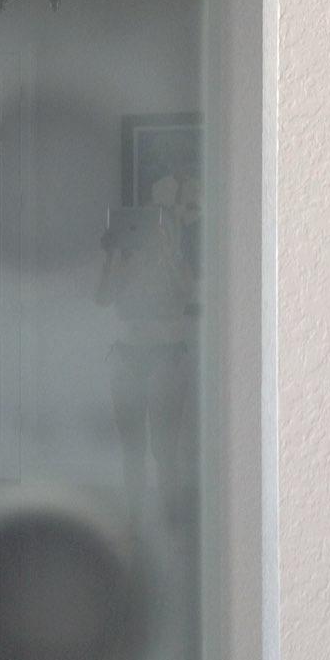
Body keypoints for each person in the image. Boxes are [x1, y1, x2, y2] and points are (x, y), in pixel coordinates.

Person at [95, 175, 200, 524]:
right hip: (126, 355)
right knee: (132, 448)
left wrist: (168, 251)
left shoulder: (175, 259)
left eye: (161, 222)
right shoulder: (124, 258)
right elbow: (102, 298)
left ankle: (171, 514)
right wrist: (114, 256)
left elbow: (187, 295)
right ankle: (134, 516)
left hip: (167, 355)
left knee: (165, 449)